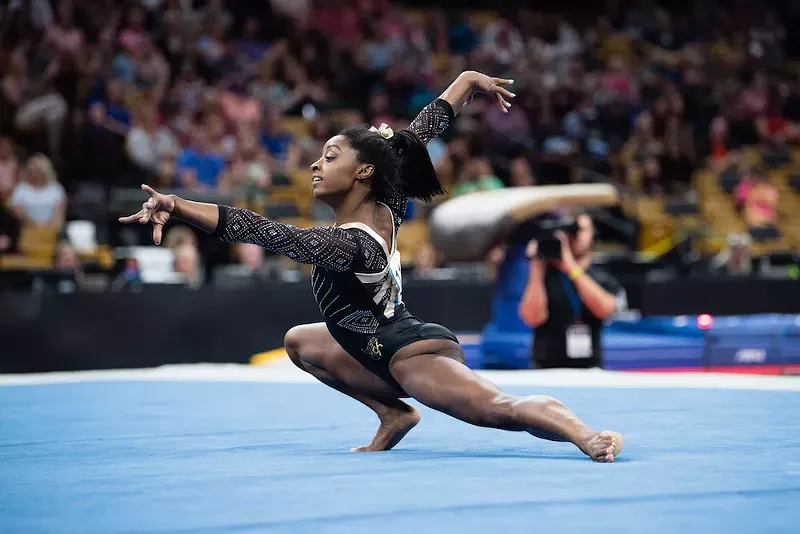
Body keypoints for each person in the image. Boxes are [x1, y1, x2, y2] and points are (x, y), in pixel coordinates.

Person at [120, 71, 623, 462]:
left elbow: (263, 231)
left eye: (329, 156)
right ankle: (393, 414)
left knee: (496, 409)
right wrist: (469, 82)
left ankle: (585, 434)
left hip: (408, 351)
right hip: (368, 345)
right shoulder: (386, 196)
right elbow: (420, 131)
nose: (316, 166)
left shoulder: (352, 245)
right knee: (299, 339)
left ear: (362, 171)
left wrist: (180, 205)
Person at [518, 213, 627, 369]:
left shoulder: (601, 276)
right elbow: (532, 318)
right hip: (545, 369)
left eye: (580, 230)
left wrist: (570, 266)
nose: (575, 236)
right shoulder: (543, 277)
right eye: (570, 230)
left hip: (589, 369)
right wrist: (536, 266)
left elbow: (605, 310)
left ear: (593, 234)